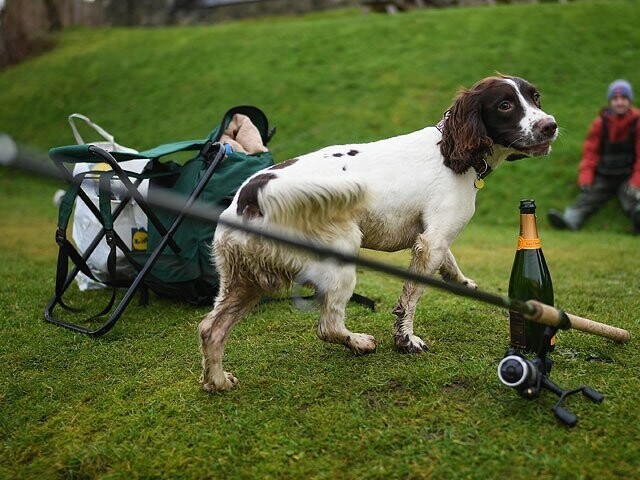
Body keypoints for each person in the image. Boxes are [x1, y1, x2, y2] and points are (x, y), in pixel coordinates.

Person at [548, 79, 640, 234]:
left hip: (628, 175)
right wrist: (586, 177)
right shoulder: (600, 123)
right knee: (588, 198)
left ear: (629, 101)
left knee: (632, 198)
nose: (619, 102)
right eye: (615, 99)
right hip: (605, 175)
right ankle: (570, 220)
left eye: (623, 98)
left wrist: (636, 180)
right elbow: (590, 152)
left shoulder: (637, 122)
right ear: (610, 101)